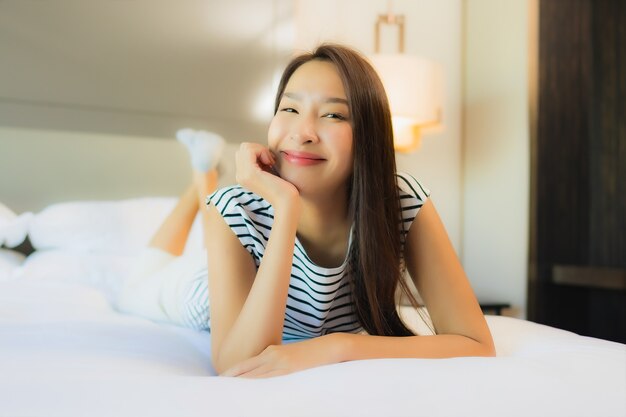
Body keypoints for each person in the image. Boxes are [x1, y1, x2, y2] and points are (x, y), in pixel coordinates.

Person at [117, 43, 495, 379]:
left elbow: (476, 342)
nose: (303, 131)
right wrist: (285, 208)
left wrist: (339, 347)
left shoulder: (400, 201)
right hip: (199, 293)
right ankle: (201, 178)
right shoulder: (234, 208)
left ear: (368, 135)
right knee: (139, 279)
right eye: (290, 108)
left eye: (333, 115)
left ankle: (203, 174)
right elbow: (237, 364)